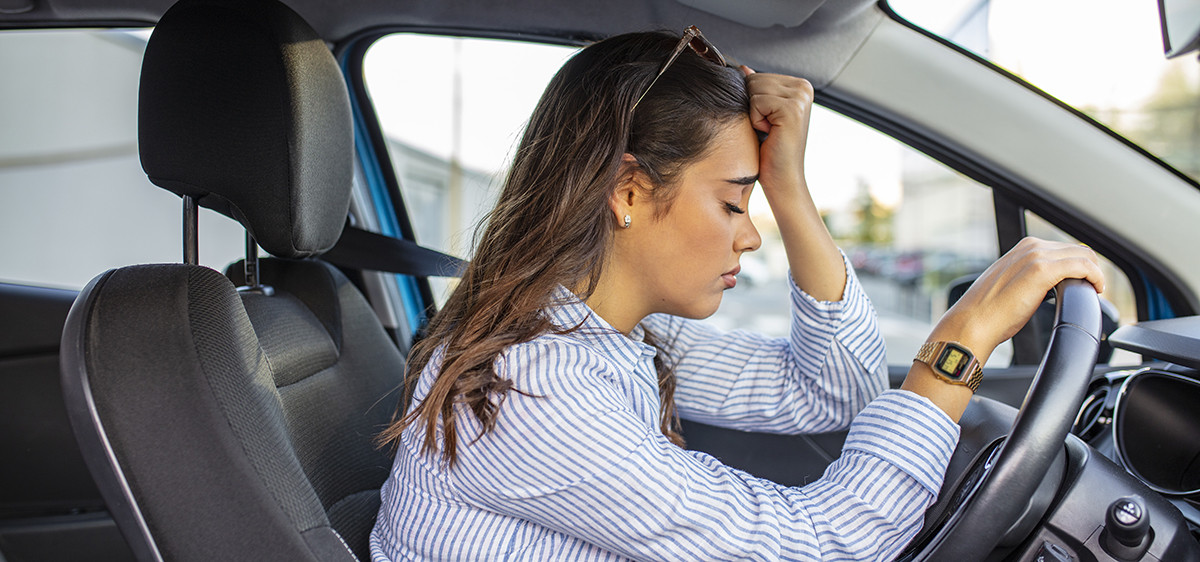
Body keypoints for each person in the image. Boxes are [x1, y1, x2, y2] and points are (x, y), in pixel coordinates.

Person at [369, 27, 1104, 561]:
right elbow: (822, 547)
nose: (750, 238)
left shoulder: (609, 334)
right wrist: (961, 340)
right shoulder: (533, 389)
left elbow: (834, 392)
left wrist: (788, 187)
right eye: (732, 204)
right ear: (627, 190)